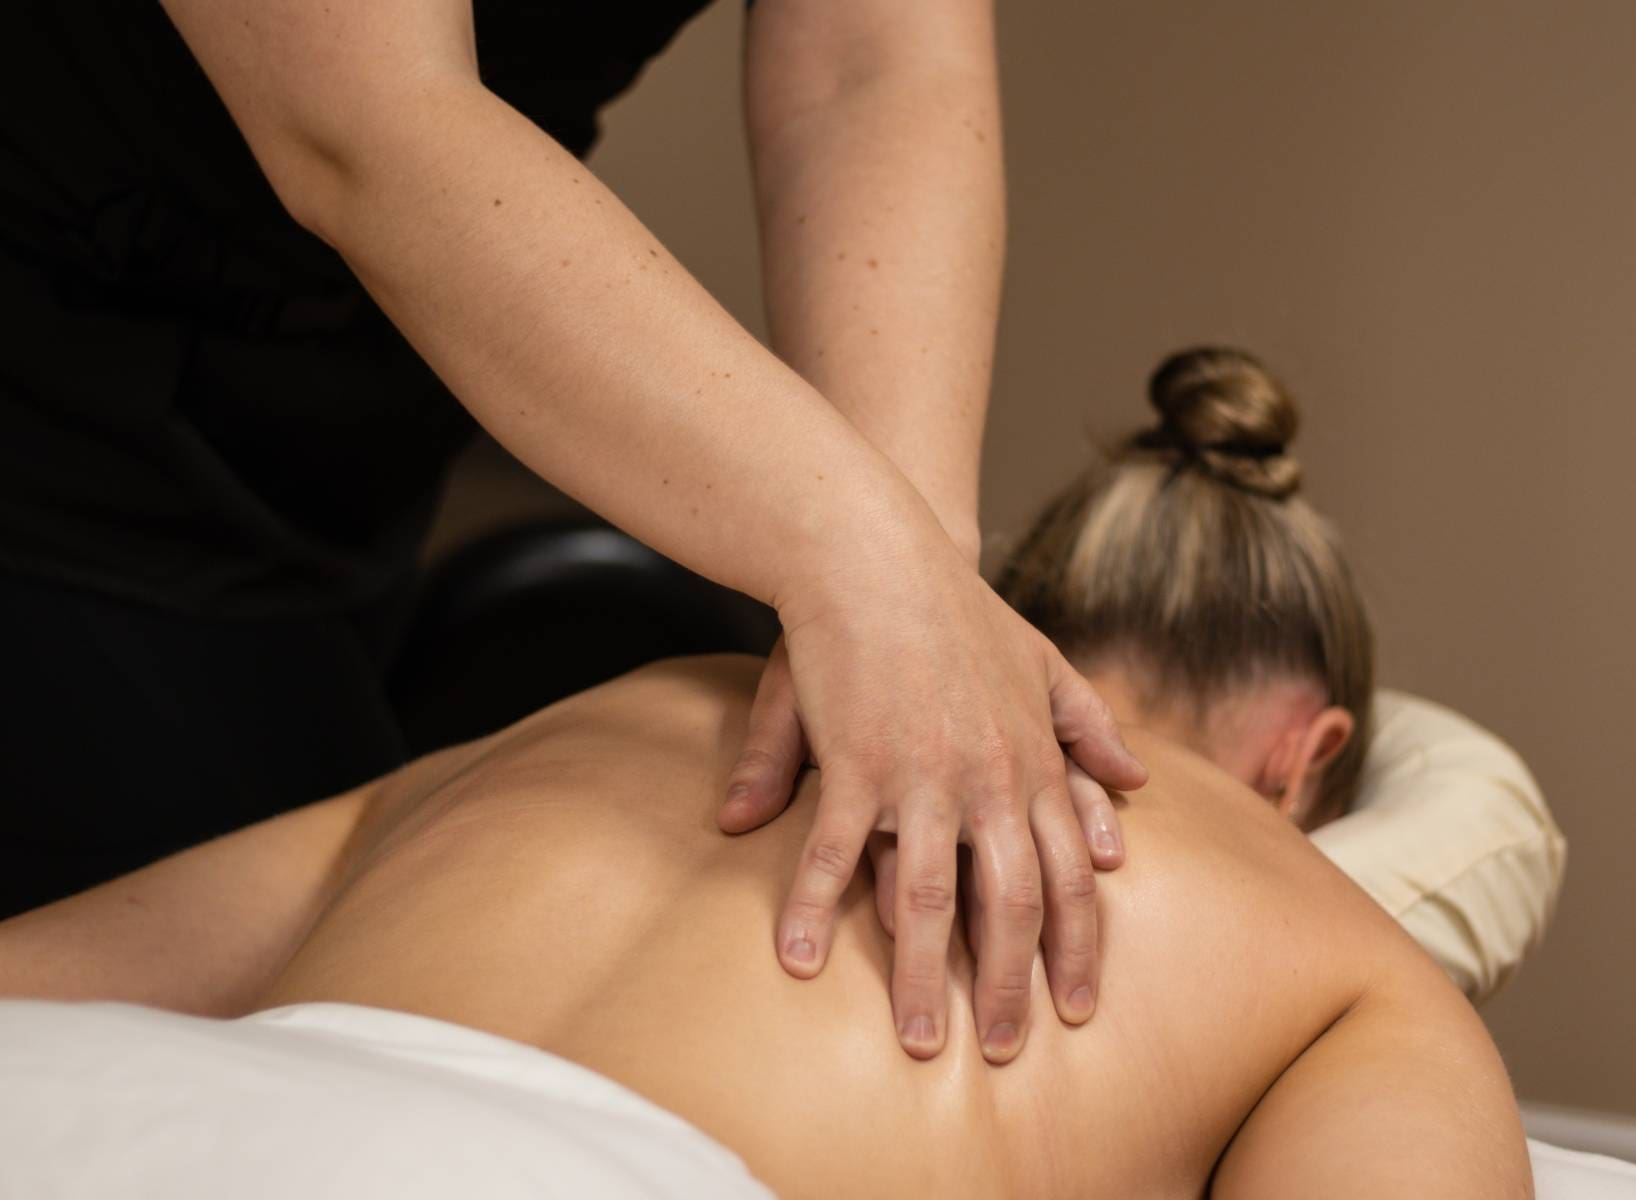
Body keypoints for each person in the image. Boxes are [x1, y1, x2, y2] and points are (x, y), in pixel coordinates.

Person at [0, 351, 1532, 1197]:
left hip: (138, 1125)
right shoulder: (1343, 964)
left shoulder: (623, 708)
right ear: (1308, 764)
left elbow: (40, 979)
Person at [0, 0, 1149, 1059]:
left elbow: (874, 59)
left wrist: (917, 574)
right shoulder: (1305, 951)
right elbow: (363, 119)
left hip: (339, 421)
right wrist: (868, 558)